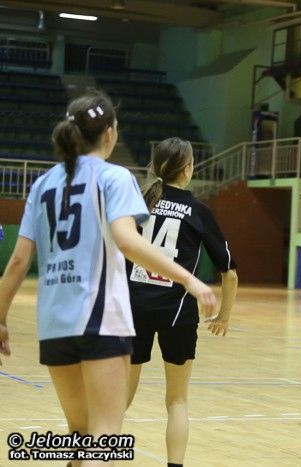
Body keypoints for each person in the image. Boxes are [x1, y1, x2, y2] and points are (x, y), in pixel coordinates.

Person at [0, 91, 217, 467]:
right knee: (104, 438)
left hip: (54, 325)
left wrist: (1, 318)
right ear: (110, 133)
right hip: (100, 320)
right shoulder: (116, 177)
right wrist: (189, 279)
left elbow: (18, 261)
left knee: (80, 433)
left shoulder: (43, 184)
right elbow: (128, 241)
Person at [126, 137, 238, 467]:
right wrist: (223, 316)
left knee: (118, 401)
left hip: (133, 308)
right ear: (188, 169)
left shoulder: (138, 203)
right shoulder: (198, 210)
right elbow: (229, 273)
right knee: (177, 401)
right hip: (177, 313)